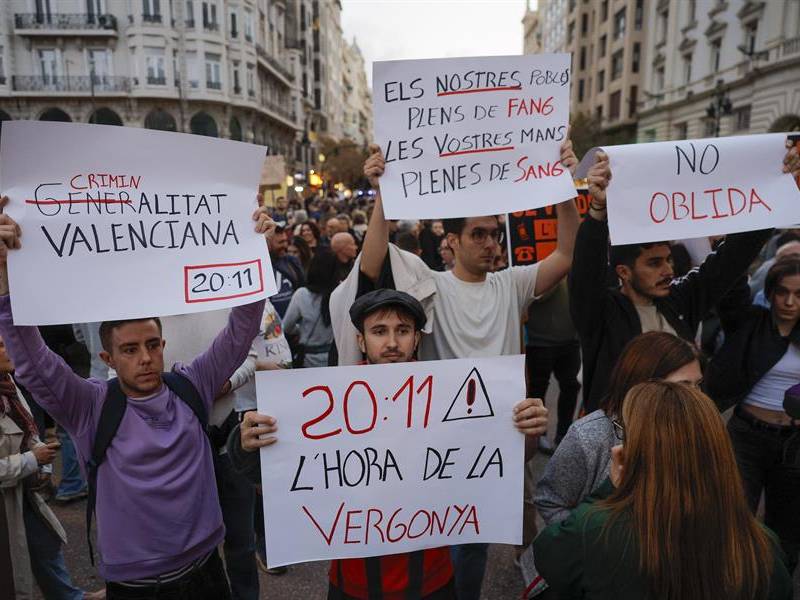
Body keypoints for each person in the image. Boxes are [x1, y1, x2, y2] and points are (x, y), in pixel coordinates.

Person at [0, 198, 273, 599]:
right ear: (107, 357)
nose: (145, 358)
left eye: (151, 345)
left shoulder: (190, 384)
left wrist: (256, 253)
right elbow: (35, 362)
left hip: (207, 572)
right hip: (135, 586)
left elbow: (240, 332)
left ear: (163, 344)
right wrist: (5, 279)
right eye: (129, 350)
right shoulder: (89, 406)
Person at [356, 140, 579, 600]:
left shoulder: (511, 283)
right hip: (443, 438)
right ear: (452, 241)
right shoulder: (427, 285)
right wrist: (382, 193)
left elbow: (565, 255)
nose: (491, 242)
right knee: (447, 540)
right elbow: (373, 262)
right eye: (478, 233)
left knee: (483, 539)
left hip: (502, 435)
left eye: (495, 233)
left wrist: (562, 186)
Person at [228, 289, 549, 600]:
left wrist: (526, 429)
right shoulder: (325, 402)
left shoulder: (450, 396)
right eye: (380, 331)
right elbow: (265, 472)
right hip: (353, 582)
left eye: (403, 330)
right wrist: (245, 443)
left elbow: (508, 458)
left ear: (417, 338)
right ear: (361, 340)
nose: (393, 343)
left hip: (433, 580)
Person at [573, 144, 800, 412]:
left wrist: (774, 188)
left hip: (677, 431)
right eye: (654, 263)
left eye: (668, 260)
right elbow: (585, 273)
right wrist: (598, 211)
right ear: (624, 272)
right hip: (619, 436)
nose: (668, 270)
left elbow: (730, 261)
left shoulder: (680, 301)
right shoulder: (602, 314)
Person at [533, 381, 793, 600]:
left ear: (639, 449)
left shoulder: (597, 532)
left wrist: (611, 490)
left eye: (623, 431)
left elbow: (548, 557)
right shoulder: (761, 546)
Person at [534, 331, 701, 525]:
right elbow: (550, 502)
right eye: (683, 386)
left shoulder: (697, 433)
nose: (696, 396)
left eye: (698, 385)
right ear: (643, 383)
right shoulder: (589, 436)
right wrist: (596, 539)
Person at [706, 257, 800, 575]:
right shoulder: (750, 322)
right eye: (782, 292)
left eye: (799, 294)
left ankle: (778, 584)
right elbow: (730, 286)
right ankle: (733, 584)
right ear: (770, 292)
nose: (789, 302)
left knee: (787, 528)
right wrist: (738, 238)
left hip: (794, 446)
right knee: (734, 519)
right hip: (745, 437)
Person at [1, 334, 104, 600]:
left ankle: (70, 596)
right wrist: (33, 460)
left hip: (22, 491)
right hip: (7, 501)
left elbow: (29, 431)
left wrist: (42, 465)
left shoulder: (8, 384)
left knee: (45, 544)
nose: (9, 349)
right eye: (1, 346)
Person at [524, 280, 581, 447]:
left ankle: (564, 432)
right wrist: (555, 274)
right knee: (538, 389)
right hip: (540, 342)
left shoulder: (569, 268)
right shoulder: (540, 269)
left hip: (570, 340)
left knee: (571, 386)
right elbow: (538, 296)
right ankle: (538, 433)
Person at [282, 250, 338, 368]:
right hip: (333, 358)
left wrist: (301, 329)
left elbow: (286, 327)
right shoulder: (339, 293)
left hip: (308, 360)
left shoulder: (302, 295)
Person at [268, 223, 306, 318]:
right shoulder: (261, 266)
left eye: (286, 241)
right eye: (280, 242)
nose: (285, 245)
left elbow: (302, 287)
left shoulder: (292, 261)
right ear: (268, 243)